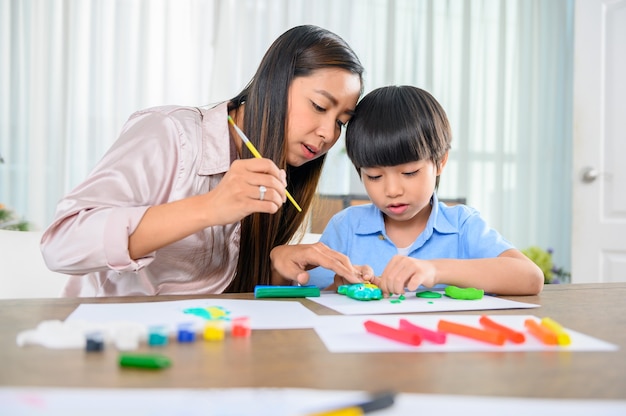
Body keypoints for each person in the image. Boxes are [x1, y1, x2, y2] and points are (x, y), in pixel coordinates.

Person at [41, 25, 365, 296]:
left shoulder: (282, 173)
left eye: (341, 121)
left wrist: (278, 268)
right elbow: (61, 245)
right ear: (275, 85)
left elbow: (228, 292)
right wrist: (210, 207)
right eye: (320, 107)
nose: (327, 133)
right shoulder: (170, 133)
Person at [306, 85, 544, 296]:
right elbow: (310, 295)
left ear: (440, 162)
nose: (392, 190)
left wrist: (435, 270)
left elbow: (531, 277)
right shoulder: (346, 227)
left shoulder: (462, 226)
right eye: (374, 176)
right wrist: (338, 288)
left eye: (409, 173)